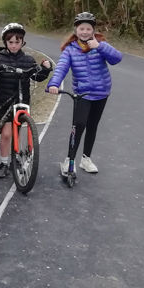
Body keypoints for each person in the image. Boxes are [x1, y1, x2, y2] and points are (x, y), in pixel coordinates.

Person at [47, 12, 122, 175]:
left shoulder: (100, 44)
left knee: (92, 126)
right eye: (82, 28)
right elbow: (61, 67)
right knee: (79, 125)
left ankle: (86, 159)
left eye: (88, 29)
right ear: (76, 30)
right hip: (82, 94)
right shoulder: (70, 49)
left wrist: (100, 47)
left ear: (93, 30)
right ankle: (70, 160)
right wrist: (54, 83)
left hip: (102, 92)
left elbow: (117, 58)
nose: (85, 32)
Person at [0, 23, 52, 178]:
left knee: (18, 131)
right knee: (7, 134)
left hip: (22, 101)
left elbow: (37, 76)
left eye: (17, 42)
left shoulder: (28, 60)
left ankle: (17, 157)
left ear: (22, 43)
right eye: (11, 42)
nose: (14, 45)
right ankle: (3, 163)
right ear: (5, 43)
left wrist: (46, 69)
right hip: (6, 100)